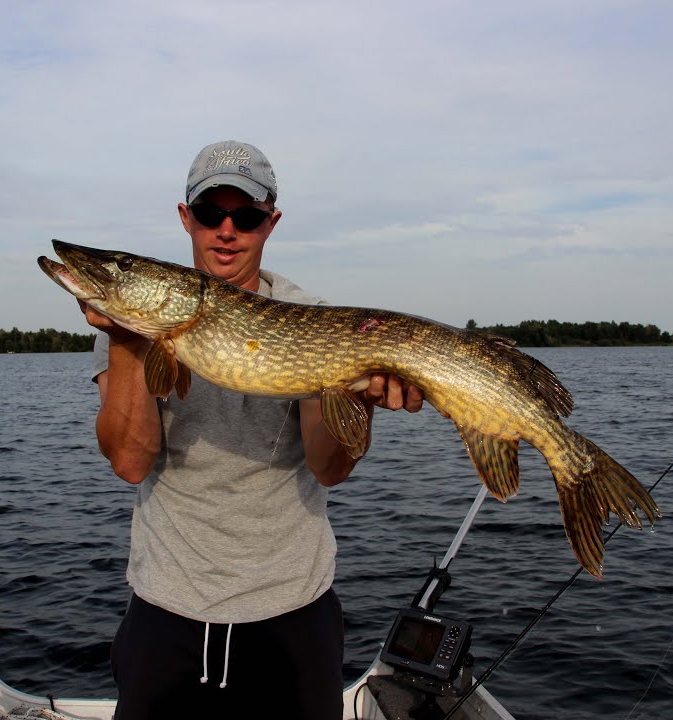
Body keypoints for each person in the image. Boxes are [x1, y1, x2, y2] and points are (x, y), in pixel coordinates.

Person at [75, 139, 424, 719]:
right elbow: (130, 462)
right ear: (186, 218)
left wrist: (356, 400)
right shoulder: (128, 327)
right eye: (211, 213)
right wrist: (127, 339)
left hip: (292, 610)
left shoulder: (310, 315)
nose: (227, 230)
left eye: (247, 215)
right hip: (168, 608)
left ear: (271, 222)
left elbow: (330, 468)